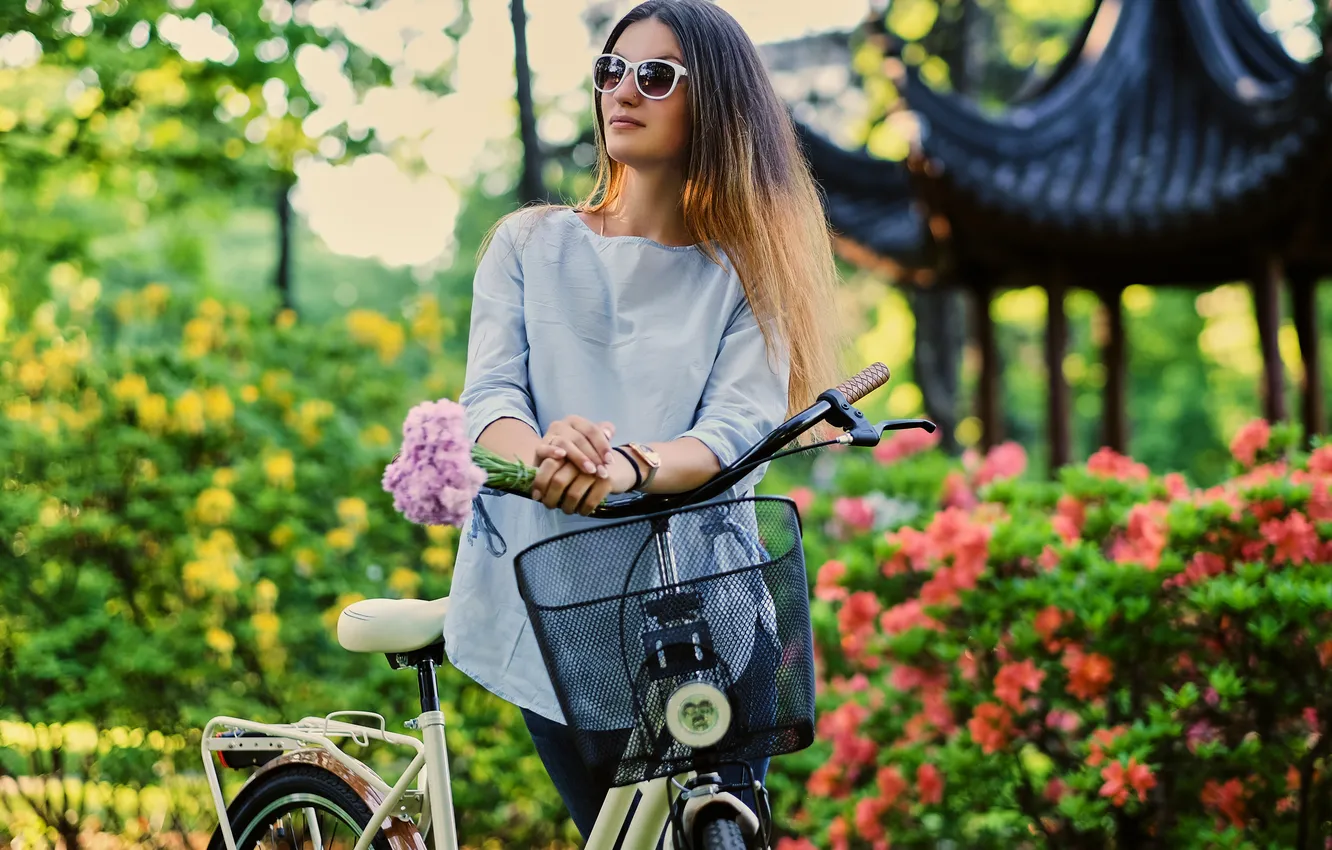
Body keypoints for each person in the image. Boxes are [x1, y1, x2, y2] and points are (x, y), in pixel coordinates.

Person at [444, 0, 843, 839]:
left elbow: (732, 429)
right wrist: (550, 455)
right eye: (611, 70)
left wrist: (623, 466)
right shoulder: (527, 246)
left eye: (656, 76)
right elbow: (491, 409)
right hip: (561, 614)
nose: (623, 90)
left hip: (709, 615)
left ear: (717, 105)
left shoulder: (747, 273)